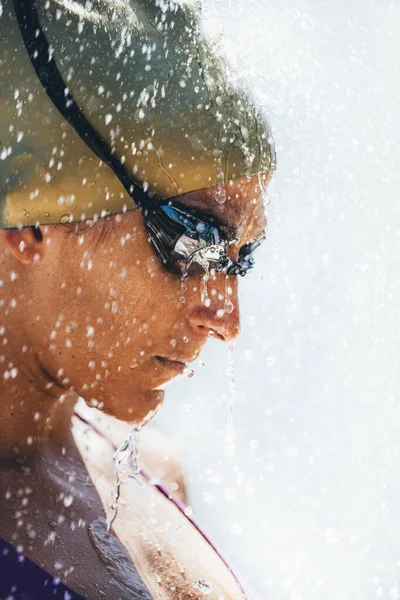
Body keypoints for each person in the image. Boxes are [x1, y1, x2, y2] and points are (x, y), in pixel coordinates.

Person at [0, 0, 276, 597]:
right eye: (194, 240)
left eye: (241, 259)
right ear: (32, 223)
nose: (228, 319)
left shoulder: (156, 475)